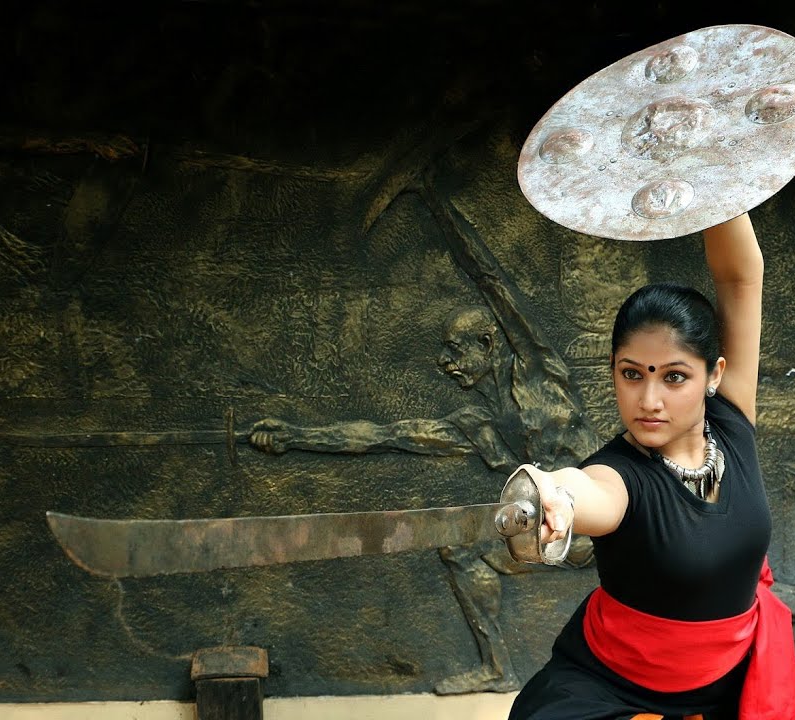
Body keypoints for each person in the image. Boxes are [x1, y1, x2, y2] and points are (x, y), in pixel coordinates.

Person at [248, 183, 603, 694]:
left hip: (600, 525)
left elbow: (490, 279)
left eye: (456, 350)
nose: (445, 363)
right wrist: (295, 436)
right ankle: (499, 668)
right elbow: (385, 436)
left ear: (487, 343)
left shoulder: (539, 374)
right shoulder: (476, 425)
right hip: (557, 534)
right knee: (460, 550)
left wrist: (436, 198)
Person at [505, 211, 795, 720]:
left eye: (673, 377)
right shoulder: (621, 475)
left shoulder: (731, 420)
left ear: (714, 376)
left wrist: (712, 175)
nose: (649, 399)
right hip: (613, 689)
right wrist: (554, 491)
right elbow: (586, 489)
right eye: (632, 373)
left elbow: (741, 276)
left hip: (730, 683)